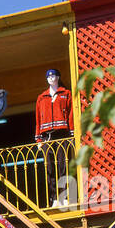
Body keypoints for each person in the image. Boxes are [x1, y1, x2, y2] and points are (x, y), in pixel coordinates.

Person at [35, 66, 74, 208]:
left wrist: (71, 134)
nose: (52, 78)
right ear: (47, 79)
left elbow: (70, 115)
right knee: (50, 169)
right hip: (46, 137)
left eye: (54, 76)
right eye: (49, 76)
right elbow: (38, 119)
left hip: (62, 134)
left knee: (63, 166)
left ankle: (64, 197)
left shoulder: (66, 94)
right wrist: (38, 139)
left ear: (58, 77)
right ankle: (54, 199)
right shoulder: (41, 97)